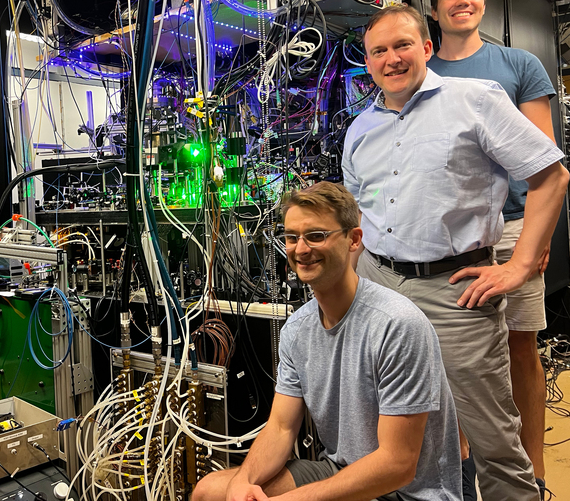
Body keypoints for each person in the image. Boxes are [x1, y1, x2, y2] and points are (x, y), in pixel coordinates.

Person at [343, 4, 569, 501]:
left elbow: (550, 177)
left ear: (427, 47)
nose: (392, 58)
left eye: (403, 45)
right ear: (368, 61)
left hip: (455, 291)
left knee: (493, 439)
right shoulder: (359, 130)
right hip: (380, 287)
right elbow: (359, 215)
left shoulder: (474, 100)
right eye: (379, 51)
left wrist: (520, 266)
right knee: (398, 427)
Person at [192, 182, 462, 501]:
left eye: (316, 236)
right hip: (339, 469)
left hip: (407, 492)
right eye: (292, 237)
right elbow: (280, 428)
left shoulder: (396, 324)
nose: (301, 249)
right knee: (210, 491)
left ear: (353, 240)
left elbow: (398, 464)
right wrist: (243, 480)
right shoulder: (297, 329)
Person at [427, 0, 556, 499]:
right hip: (451, 239)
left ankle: (534, 473)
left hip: (510, 228)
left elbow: (544, 160)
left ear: (484, 1)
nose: (464, 0)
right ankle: (459, 471)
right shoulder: (421, 72)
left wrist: (537, 241)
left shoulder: (518, 64)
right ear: (434, 9)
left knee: (520, 347)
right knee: (452, 361)